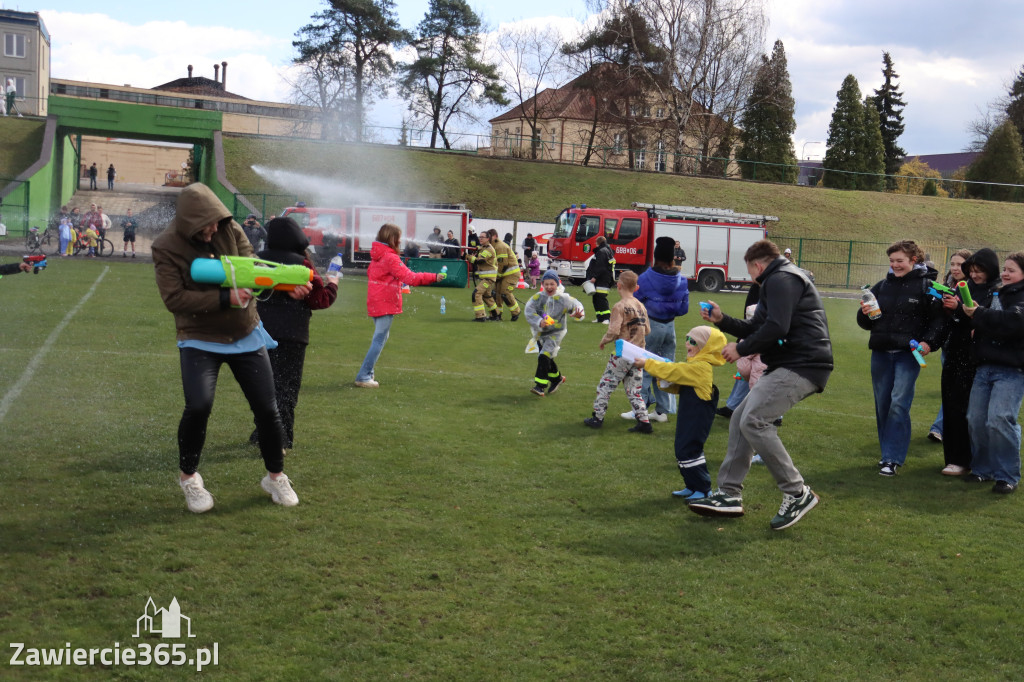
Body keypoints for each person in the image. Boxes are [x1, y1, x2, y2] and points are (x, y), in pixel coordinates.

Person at [151, 182, 301, 513]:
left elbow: (250, 263)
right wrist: (225, 297)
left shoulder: (228, 227)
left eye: (216, 224)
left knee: (267, 408)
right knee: (199, 406)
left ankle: (275, 477)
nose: (213, 230)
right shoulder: (165, 246)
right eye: (205, 226)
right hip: (198, 336)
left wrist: (284, 283)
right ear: (190, 222)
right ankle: (189, 479)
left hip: (245, 333)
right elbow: (173, 298)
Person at [692, 239, 833, 531]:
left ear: (757, 265)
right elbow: (759, 326)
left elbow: (776, 328)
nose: (751, 278)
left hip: (801, 363)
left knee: (755, 420)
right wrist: (722, 320)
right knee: (741, 420)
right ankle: (729, 495)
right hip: (791, 362)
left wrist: (741, 350)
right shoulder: (783, 278)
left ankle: (797, 493)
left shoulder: (780, 278)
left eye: (749, 272)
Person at [857, 240, 946, 476]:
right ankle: (886, 453)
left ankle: (892, 458)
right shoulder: (881, 286)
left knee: (898, 403)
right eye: (892, 261)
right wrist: (864, 314)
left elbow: (939, 320)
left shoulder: (929, 287)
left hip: (908, 355)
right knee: (883, 404)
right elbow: (867, 322)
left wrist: (929, 342)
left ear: (913, 261)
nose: (895, 265)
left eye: (900, 261)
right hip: (881, 353)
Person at [252, 217, 338, 447]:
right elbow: (320, 299)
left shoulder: (256, 260)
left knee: (264, 387)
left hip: (259, 332)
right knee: (286, 388)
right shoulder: (302, 263)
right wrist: (333, 283)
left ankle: (261, 432)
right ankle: (281, 438)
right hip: (292, 333)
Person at [636, 325, 727, 499]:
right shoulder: (695, 365)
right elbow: (679, 385)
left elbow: (674, 371)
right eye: (687, 339)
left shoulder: (701, 367)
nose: (687, 344)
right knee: (682, 450)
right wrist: (664, 378)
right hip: (689, 417)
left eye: (693, 341)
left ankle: (703, 488)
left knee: (689, 451)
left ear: (706, 347)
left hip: (697, 419)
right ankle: (691, 485)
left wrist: (648, 364)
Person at [960, 251, 1024, 494]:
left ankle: (1007, 476)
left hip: (1012, 370)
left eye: (1011, 270)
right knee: (975, 420)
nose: (1005, 274)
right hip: (984, 367)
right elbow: (986, 321)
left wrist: (979, 315)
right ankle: (982, 470)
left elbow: (1014, 323)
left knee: (1000, 419)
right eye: (1005, 269)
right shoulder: (997, 292)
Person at [356, 223, 444, 388]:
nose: (401, 241)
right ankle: (364, 375)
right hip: (384, 302)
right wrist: (434, 276)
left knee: (381, 336)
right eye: (398, 238)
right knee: (379, 339)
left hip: (375, 301)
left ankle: (368, 373)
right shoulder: (390, 257)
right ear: (392, 239)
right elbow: (410, 278)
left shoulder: (378, 256)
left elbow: (373, 275)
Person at [938, 249, 997, 476]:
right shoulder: (963, 288)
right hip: (955, 354)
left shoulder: (996, 291)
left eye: (979, 270)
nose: (975, 275)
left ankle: (977, 461)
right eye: (971, 271)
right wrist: (948, 309)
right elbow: (955, 322)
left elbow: (987, 320)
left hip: (978, 358)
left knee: (974, 413)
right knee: (952, 407)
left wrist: (961, 312)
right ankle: (955, 459)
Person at [622, 236, 688, 423]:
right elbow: (683, 309)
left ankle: (639, 409)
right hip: (670, 328)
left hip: (650, 326)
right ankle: (662, 411)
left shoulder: (646, 278)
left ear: (655, 256)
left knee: (643, 367)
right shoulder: (681, 281)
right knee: (665, 367)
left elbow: (634, 303)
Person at [583, 270, 653, 433]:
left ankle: (597, 417)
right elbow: (647, 329)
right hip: (639, 354)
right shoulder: (641, 306)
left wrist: (604, 340)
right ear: (636, 288)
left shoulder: (619, 306)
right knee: (634, 390)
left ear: (618, 285)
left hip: (623, 354)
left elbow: (614, 330)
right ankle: (644, 422)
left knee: (605, 385)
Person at [928, 250, 971, 443]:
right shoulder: (947, 286)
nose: (955, 268)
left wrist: (957, 307)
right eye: (952, 264)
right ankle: (943, 428)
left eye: (960, 264)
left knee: (960, 391)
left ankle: (941, 428)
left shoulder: (973, 288)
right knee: (951, 390)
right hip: (948, 345)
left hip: (968, 348)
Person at [525, 270, 584, 396]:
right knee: (548, 359)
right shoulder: (538, 297)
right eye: (546, 284)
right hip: (541, 333)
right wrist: (539, 321)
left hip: (556, 333)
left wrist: (578, 313)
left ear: (557, 284)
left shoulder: (564, 298)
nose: (549, 287)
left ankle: (540, 386)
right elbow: (529, 310)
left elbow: (577, 305)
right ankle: (557, 379)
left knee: (543, 356)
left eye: (552, 284)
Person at [490, 228, 522, 321]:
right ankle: (497, 314)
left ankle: (516, 311)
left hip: (511, 274)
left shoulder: (500, 246)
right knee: (496, 293)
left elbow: (502, 264)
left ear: (495, 236)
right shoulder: (493, 246)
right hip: (502, 274)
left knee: (505, 293)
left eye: (489, 237)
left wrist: (497, 276)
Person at [467, 229, 498, 321]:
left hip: (488, 279)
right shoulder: (483, 248)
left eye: (482, 237)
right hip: (486, 278)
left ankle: (480, 316)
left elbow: (479, 260)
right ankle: (495, 315)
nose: (480, 239)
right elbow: (479, 250)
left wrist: (466, 256)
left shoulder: (489, 249)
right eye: (479, 237)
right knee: (487, 296)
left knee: (476, 293)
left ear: (488, 238)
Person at [586, 235, 615, 323]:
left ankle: (607, 318)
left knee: (601, 298)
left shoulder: (602, 251)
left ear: (598, 242)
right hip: (603, 278)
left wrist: (595, 277)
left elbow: (600, 267)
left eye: (596, 243)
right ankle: (600, 317)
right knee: (596, 298)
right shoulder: (606, 250)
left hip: (602, 279)